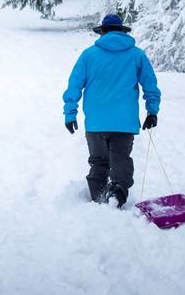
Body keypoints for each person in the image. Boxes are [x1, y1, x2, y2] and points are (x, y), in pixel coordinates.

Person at [63, 13, 161, 208]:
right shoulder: (137, 55)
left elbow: (74, 85)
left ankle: (99, 198)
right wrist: (152, 111)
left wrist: (70, 113)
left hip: (96, 122)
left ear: (103, 31)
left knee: (99, 161)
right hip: (124, 122)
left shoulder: (89, 55)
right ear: (121, 31)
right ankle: (116, 196)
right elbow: (150, 85)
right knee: (121, 160)